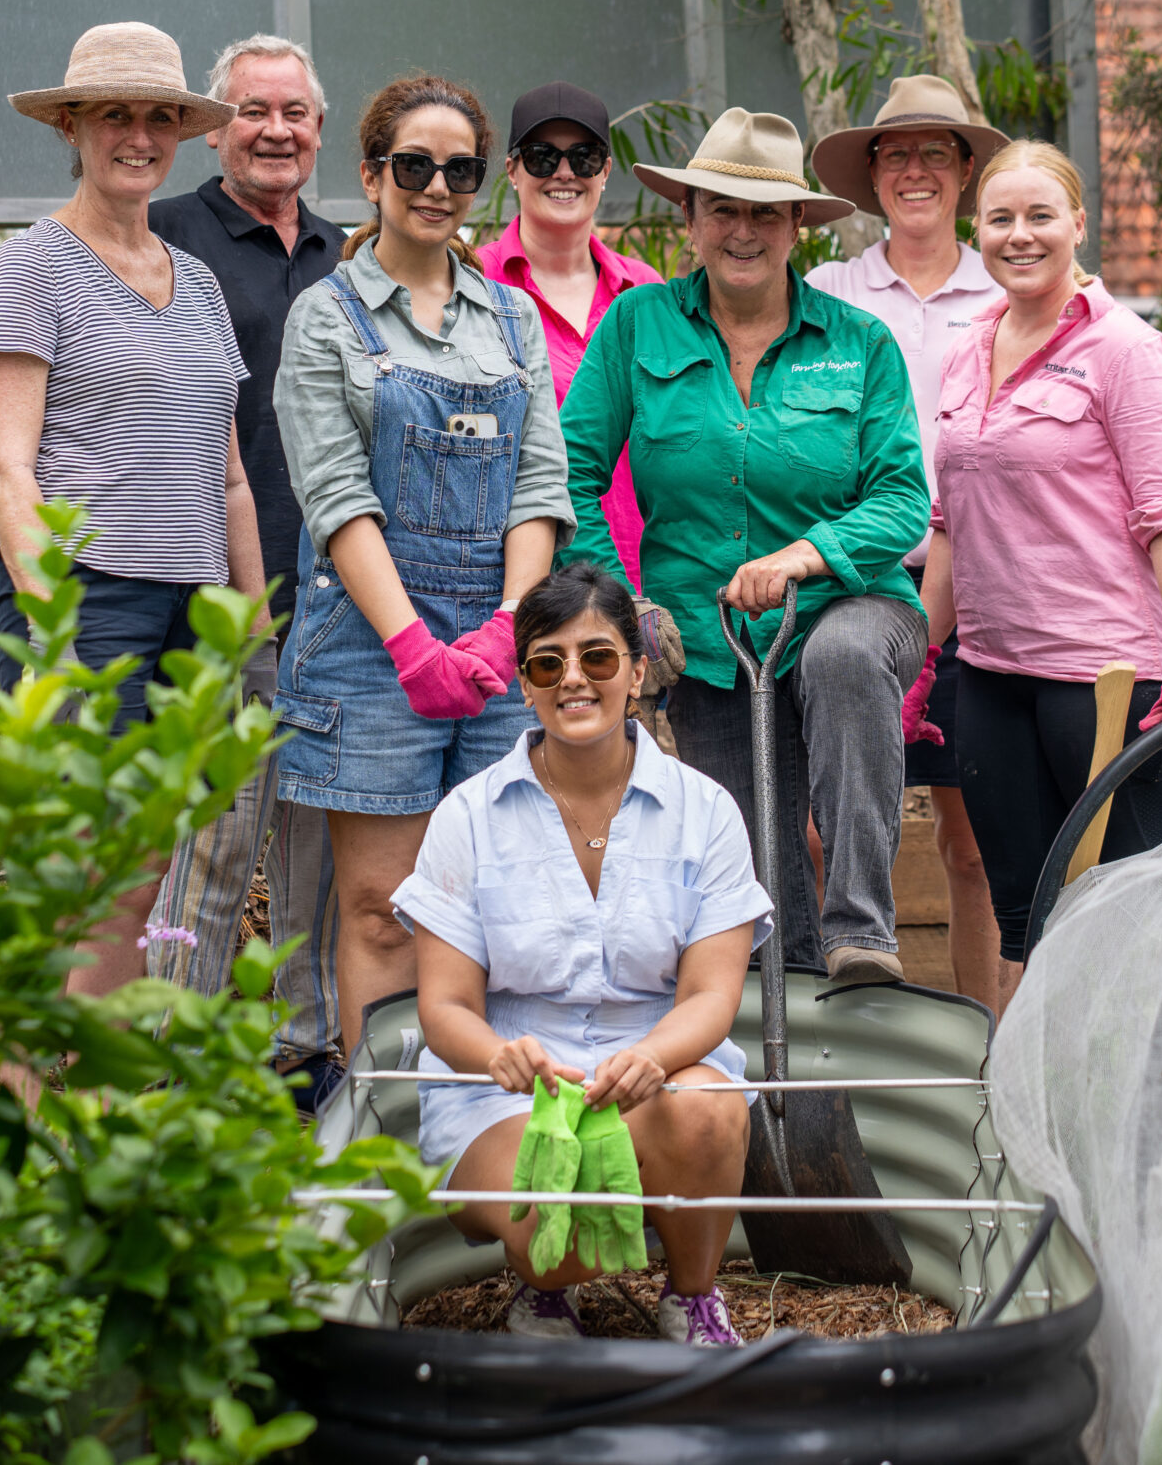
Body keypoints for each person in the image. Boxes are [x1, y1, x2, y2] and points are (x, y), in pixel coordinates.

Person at [560, 107, 929, 985]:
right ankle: (802, 1104)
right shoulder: (636, 327)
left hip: (853, 603)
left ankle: (863, 927)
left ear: (798, 224)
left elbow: (903, 497)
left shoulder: (859, 344)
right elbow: (566, 474)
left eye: (765, 212)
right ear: (688, 219)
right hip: (707, 638)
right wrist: (625, 603)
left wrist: (804, 556)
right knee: (760, 896)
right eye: (720, 208)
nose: (742, 230)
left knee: (839, 653)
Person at [397, 564, 769, 1346]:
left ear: (637, 671)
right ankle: (546, 1290)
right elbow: (445, 1006)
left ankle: (693, 1296)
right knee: (551, 1207)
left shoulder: (704, 812)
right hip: (512, 1094)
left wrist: (653, 1057)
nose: (574, 679)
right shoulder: (468, 816)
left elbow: (710, 996)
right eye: (547, 662)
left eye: (598, 657)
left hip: (654, 1078)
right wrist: (500, 1054)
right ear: (524, 684)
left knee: (704, 1110)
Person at [271, 73, 572, 1036]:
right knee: (384, 910)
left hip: (496, 645)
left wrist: (503, 630)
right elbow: (336, 496)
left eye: (460, 170)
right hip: (370, 651)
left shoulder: (512, 319)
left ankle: (489, 1137)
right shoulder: (327, 317)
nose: (436, 187)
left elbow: (539, 487)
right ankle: (390, 1146)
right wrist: (411, 644)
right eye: (414, 165)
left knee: (497, 909)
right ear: (371, 174)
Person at [0, 21, 264, 996]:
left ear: (181, 132)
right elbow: (7, 468)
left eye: (155, 118)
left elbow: (225, 475)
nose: (136, 137)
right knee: (78, 875)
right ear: (72, 130)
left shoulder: (201, 287)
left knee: (142, 874)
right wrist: (51, 623)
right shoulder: (32, 267)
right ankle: (39, 1114)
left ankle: (84, 1103)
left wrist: (250, 624)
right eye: (113, 117)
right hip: (85, 602)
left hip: (190, 606)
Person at [920, 140, 1162, 1020]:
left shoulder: (1130, 354)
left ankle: (1139, 1124)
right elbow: (951, 522)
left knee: (1128, 924)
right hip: (990, 679)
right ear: (974, 230)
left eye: (1039, 216)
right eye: (1000, 219)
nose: (1020, 236)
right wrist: (921, 656)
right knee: (1024, 927)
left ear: (1079, 226)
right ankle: (1028, 1130)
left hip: (1105, 685)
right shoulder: (967, 349)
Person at [144, 34, 342, 1097]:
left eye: (296, 112)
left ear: (319, 128)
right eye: (254, 110)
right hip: (220, 598)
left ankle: (302, 1056)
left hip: (333, 598)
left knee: (312, 843)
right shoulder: (166, 239)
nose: (276, 130)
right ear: (215, 126)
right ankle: (169, 1060)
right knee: (216, 843)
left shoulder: (340, 249)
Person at [805, 75, 1008, 1009]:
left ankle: (984, 1064)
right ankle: (835, 1056)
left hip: (996, 593)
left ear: (966, 170)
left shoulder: (1012, 284)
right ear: (872, 174)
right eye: (897, 153)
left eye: (937, 152)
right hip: (859, 584)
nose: (916, 170)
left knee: (972, 841)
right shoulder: (827, 292)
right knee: (824, 829)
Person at [480, 82, 663, 588]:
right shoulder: (473, 285)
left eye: (584, 158)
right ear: (512, 170)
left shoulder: (647, 291)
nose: (564, 173)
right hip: (511, 578)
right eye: (543, 157)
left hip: (634, 573)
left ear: (605, 172)